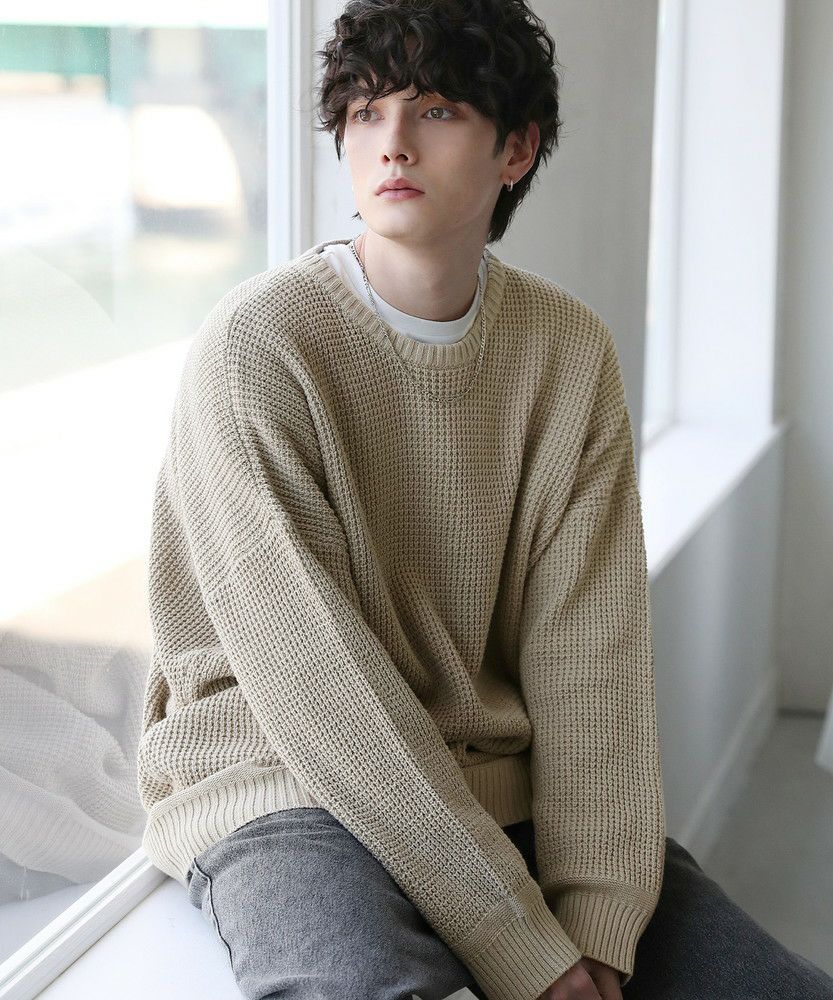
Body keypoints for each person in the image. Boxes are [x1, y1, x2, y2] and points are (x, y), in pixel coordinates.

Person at [136, 1, 833, 998]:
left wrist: (596, 920)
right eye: (365, 112)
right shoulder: (259, 346)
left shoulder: (565, 351)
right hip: (283, 779)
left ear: (516, 148)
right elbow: (318, 689)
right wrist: (522, 947)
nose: (391, 142)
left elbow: (589, 661)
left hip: (493, 785)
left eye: (435, 111)